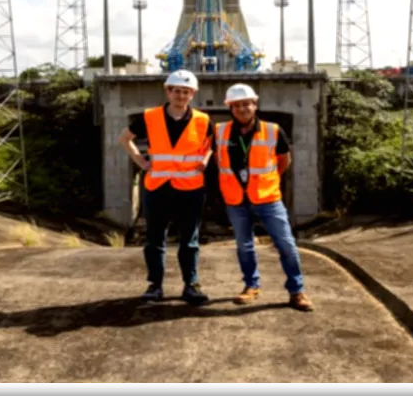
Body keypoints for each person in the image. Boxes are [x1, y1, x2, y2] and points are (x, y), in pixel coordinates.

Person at [118, 69, 215, 305]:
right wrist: (140, 160)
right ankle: (155, 285)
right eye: (177, 91)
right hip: (158, 187)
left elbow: (210, 144)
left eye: (186, 92)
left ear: (193, 94)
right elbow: (124, 138)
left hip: (190, 189)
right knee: (154, 239)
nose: (181, 96)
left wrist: (205, 159)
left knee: (189, 240)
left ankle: (191, 285)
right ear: (167, 91)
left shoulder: (203, 120)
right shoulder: (149, 117)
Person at [214, 83, 313, 311]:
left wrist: (268, 180)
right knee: (244, 246)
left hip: (268, 198)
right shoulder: (219, 131)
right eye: (236, 105)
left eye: (246, 104)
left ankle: (297, 291)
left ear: (254, 104)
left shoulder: (273, 130)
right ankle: (251, 286)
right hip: (236, 199)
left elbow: (284, 160)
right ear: (230, 107)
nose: (242, 109)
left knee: (287, 244)